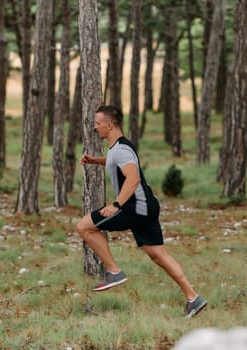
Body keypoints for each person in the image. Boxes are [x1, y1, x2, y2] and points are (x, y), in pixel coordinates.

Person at [77, 105, 207, 318]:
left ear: (109, 125)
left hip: (135, 207)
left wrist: (116, 204)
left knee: (84, 226)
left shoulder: (120, 149)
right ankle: (194, 298)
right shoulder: (118, 147)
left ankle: (114, 271)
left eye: (97, 123)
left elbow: (133, 178)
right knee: (159, 255)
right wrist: (94, 161)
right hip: (145, 206)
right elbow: (118, 164)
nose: (94, 127)